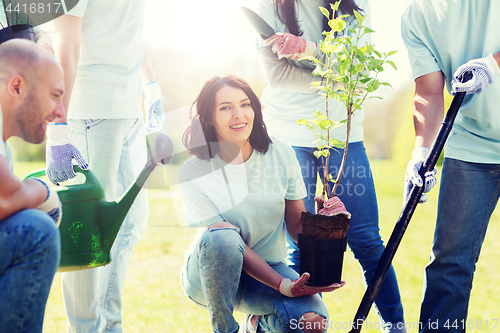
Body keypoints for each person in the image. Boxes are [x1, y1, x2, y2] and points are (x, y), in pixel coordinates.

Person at [250, 0, 406, 331]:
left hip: (342, 135)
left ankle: (395, 326)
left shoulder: (353, 6)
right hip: (289, 136)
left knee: (367, 241)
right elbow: (278, 75)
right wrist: (337, 71)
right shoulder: (267, 7)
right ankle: (295, 324)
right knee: (301, 246)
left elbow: (360, 73)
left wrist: (307, 50)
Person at [177, 75, 345, 333]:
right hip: (210, 275)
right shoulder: (191, 173)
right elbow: (229, 244)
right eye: (225, 108)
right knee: (223, 237)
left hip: (267, 270)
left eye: (245, 104)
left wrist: (324, 227)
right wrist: (281, 284)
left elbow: (296, 225)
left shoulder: (282, 154)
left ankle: (255, 325)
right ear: (208, 118)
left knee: (312, 323)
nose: (238, 114)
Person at [47, 1, 165, 331]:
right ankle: (86, 328)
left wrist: (150, 85)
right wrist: (58, 123)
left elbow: (125, 31)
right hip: (91, 108)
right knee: (87, 234)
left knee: (129, 225)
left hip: (128, 111)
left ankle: (108, 324)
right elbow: (66, 42)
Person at [401, 1, 500, 332]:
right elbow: (428, 92)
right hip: (472, 144)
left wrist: (494, 64)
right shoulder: (419, 15)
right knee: (450, 265)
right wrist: (422, 152)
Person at [0, 39, 63, 333]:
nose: (60, 111)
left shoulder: (6, 152)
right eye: (54, 95)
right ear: (17, 87)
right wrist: (43, 190)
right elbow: (4, 198)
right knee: (33, 231)